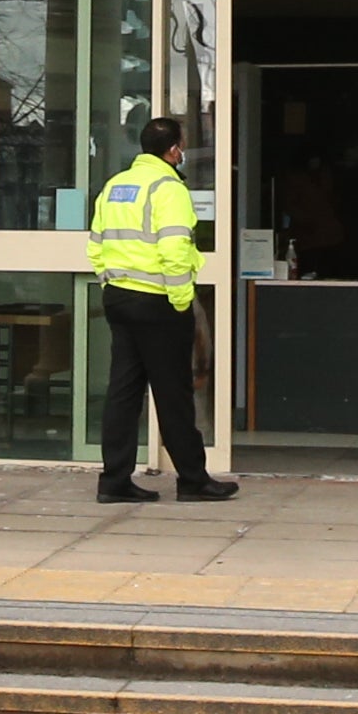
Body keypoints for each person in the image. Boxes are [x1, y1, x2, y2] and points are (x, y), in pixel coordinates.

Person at [88, 114, 235, 502]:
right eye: (181, 145)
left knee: (123, 391)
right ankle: (192, 480)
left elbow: (96, 243)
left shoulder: (116, 185)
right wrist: (181, 299)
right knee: (174, 393)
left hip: (120, 299)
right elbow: (173, 249)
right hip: (159, 303)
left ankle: (114, 481)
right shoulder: (168, 188)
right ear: (174, 149)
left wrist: (109, 280)